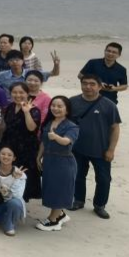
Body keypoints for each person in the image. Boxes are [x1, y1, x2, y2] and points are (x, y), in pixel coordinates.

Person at [69, 74, 122, 219]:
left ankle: (99, 205)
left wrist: (111, 149)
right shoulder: (72, 102)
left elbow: (115, 128)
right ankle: (78, 200)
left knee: (104, 179)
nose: (88, 87)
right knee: (78, 175)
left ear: (99, 86)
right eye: (85, 83)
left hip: (101, 149)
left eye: (92, 84)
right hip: (77, 148)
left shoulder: (109, 105)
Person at [37, 95, 79, 231]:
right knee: (50, 188)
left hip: (63, 162)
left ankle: (53, 220)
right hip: (49, 160)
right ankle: (60, 214)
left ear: (67, 109)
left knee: (59, 190)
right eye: (53, 105)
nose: (55, 108)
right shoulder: (49, 123)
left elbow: (67, 141)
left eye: (60, 106)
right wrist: (39, 157)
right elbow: (44, 142)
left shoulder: (72, 126)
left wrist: (56, 137)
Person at [0, 82, 42, 199]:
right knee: (8, 175)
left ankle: (21, 202)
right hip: (10, 146)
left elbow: (32, 128)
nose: (18, 95)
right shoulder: (10, 107)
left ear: (27, 93)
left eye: (21, 92)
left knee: (24, 176)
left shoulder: (34, 110)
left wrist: (26, 112)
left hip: (26, 149)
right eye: (14, 92)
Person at [0, 145, 27, 236]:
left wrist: (16, 179)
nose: (6, 157)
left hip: (10, 202)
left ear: (14, 158)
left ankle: (9, 225)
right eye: (3, 154)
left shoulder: (20, 174)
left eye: (9, 155)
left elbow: (17, 196)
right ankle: (4, 217)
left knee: (15, 203)